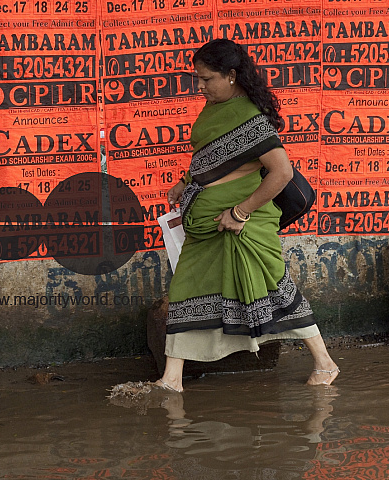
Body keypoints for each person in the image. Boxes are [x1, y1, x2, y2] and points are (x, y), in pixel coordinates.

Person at [155, 39, 338, 393]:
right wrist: (184, 182)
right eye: (198, 78)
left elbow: (281, 173)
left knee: (277, 290)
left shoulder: (252, 120)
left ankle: (326, 364)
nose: (201, 86)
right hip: (206, 226)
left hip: (245, 226)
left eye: (207, 79)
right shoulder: (213, 110)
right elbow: (210, 158)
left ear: (231, 76)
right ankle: (171, 379)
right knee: (184, 289)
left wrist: (240, 213)